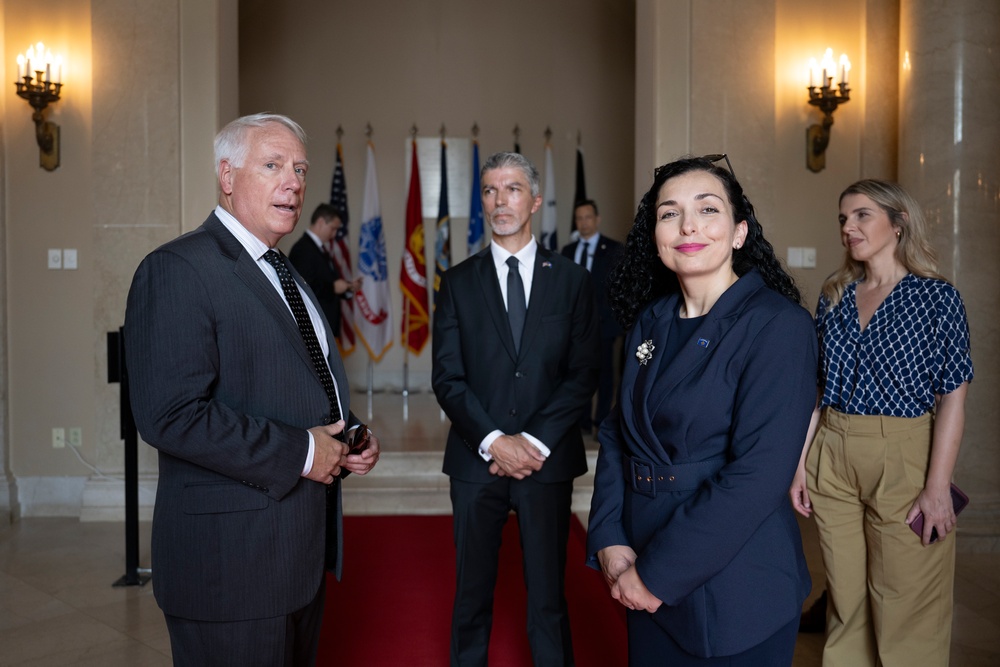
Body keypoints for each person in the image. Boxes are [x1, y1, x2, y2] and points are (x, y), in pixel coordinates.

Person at [123, 113, 381, 666]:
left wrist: (349, 430)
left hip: (297, 558)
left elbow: (297, 380)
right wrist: (306, 452)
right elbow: (170, 416)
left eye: (300, 169)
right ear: (228, 175)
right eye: (273, 165)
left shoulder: (285, 272)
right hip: (230, 570)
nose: (293, 181)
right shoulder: (177, 269)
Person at [586, 155, 817, 666]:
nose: (688, 225)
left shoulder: (778, 325)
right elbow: (619, 433)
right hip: (639, 556)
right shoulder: (652, 319)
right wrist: (608, 536)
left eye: (706, 209)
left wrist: (654, 576)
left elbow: (758, 476)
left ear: (738, 233)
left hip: (735, 580)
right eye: (669, 214)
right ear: (656, 236)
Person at [789, 179, 973, 666]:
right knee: (847, 604)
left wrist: (938, 487)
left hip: (905, 453)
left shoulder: (937, 299)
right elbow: (815, 390)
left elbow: (953, 397)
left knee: (906, 604)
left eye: (862, 215)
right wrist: (800, 464)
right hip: (833, 449)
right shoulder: (834, 295)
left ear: (899, 222)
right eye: (843, 219)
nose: (849, 228)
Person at [432, 151, 599, 666]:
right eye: (489, 190)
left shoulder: (571, 280)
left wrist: (532, 443)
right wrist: (495, 442)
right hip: (475, 459)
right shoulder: (457, 282)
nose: (499, 201)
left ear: (535, 201)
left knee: (548, 599)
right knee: (471, 597)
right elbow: (448, 378)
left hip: (546, 463)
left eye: (511, 189)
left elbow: (582, 374)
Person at [561, 199, 625, 434]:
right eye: (579, 218)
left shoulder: (615, 249)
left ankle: (601, 422)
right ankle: (583, 422)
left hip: (604, 327)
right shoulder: (567, 251)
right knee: (577, 374)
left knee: (605, 377)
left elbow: (619, 289)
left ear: (597, 219)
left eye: (588, 217)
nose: (583, 222)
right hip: (574, 327)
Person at [288, 203, 362, 342]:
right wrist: (333, 288)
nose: (334, 234)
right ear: (321, 222)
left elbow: (327, 281)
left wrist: (347, 287)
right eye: (333, 229)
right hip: (313, 328)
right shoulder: (303, 249)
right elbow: (302, 288)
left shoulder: (320, 248)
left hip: (325, 327)